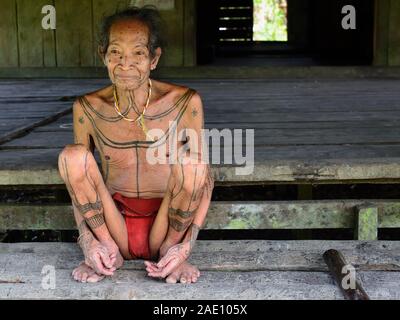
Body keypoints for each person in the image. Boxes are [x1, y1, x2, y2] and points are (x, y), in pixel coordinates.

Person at [57, 5, 213, 284]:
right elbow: (76, 182)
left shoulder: (185, 102)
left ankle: (170, 254)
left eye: (138, 53)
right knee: (72, 156)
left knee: (194, 164)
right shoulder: (87, 107)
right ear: (102, 55)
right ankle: (107, 252)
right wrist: (89, 243)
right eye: (115, 52)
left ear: (154, 59)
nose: (125, 63)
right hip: (111, 225)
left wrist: (186, 246)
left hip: (168, 226)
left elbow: (205, 179)